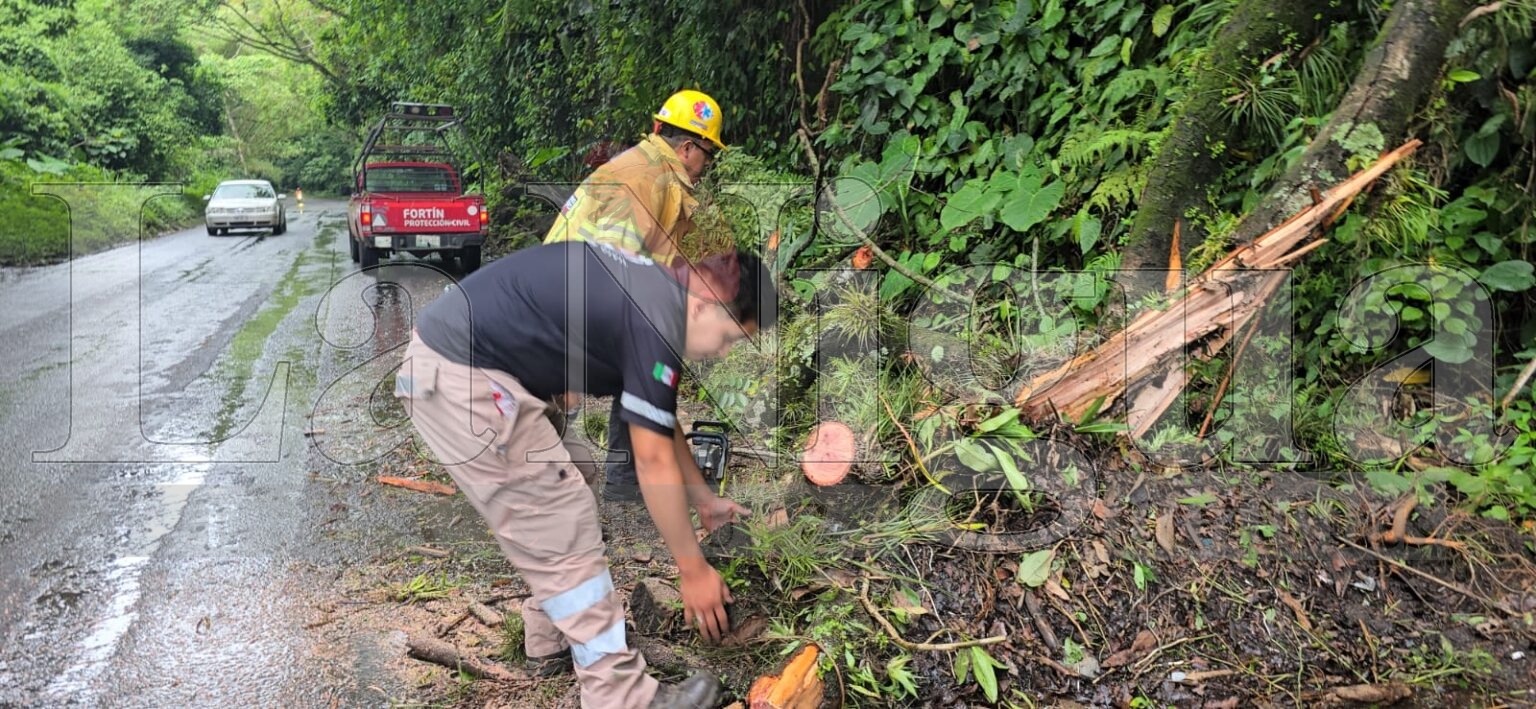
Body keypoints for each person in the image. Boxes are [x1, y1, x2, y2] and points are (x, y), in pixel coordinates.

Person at [396, 238, 776, 708]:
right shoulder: (657, 318)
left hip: (481, 363)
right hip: (462, 373)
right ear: (704, 303)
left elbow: (660, 423)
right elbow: (652, 460)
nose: (723, 353)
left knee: (576, 470)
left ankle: (550, 637)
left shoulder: (659, 295)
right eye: (730, 337)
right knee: (561, 512)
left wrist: (704, 499)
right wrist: (692, 569)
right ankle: (621, 694)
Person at [543, 89, 728, 502]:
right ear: (687, 147)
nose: (709, 165)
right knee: (549, 400)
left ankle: (623, 479)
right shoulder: (646, 179)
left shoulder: (653, 171)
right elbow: (615, 257)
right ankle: (539, 493)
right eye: (708, 154)